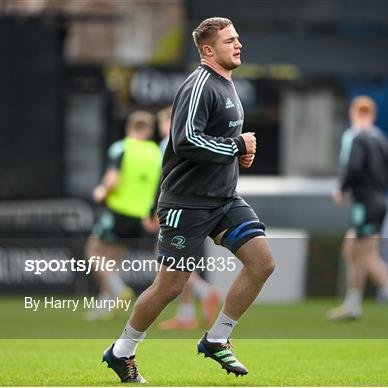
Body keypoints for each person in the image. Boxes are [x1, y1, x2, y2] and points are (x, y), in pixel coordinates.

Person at [102, 17, 275, 382]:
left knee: (262, 262)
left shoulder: (229, 85)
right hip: (186, 203)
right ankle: (122, 350)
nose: (238, 44)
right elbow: (185, 141)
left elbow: (218, 143)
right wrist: (236, 146)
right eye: (229, 41)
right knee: (171, 285)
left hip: (224, 200)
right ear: (208, 50)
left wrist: (239, 152)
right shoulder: (199, 85)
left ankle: (217, 338)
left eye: (238, 38)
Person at [327, 96, 388, 324]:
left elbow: (352, 167)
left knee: (368, 254)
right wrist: (379, 187)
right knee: (351, 248)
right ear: (373, 115)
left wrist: (342, 189)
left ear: (354, 113)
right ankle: (353, 304)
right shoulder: (383, 139)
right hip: (382, 200)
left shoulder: (355, 137)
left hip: (365, 203)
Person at [85, 111, 162, 321]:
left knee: (94, 252)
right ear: (149, 130)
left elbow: (112, 180)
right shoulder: (156, 152)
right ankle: (105, 306)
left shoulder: (122, 148)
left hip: (118, 211)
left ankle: (119, 291)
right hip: (140, 216)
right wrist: (153, 213)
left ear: (129, 127)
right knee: (112, 259)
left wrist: (101, 190)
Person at [156, 106, 221, 331]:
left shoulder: (169, 143)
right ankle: (186, 314)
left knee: (169, 263)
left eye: (163, 122)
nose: (161, 128)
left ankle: (204, 291)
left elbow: (163, 181)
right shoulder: (198, 141)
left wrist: (152, 212)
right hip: (199, 209)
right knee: (181, 263)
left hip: (176, 210)